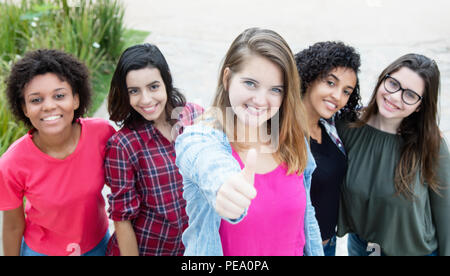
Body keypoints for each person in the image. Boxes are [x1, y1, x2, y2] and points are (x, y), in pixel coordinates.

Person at [175, 27, 323, 256]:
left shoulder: (292, 139)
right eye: (250, 83)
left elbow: (307, 217)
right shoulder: (202, 137)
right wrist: (223, 185)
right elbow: (203, 158)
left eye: (275, 89)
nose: (261, 100)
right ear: (227, 78)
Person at [0, 49, 115, 256]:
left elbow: (125, 190)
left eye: (59, 95)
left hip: (98, 246)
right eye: (36, 100)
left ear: (76, 100)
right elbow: (12, 226)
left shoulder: (102, 134)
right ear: (24, 108)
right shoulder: (12, 163)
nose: (49, 106)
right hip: (42, 251)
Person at [336, 53, 450, 256]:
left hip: (416, 252)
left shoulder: (430, 142)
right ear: (382, 79)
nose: (395, 97)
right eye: (393, 83)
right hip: (362, 249)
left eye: (410, 95)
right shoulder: (347, 127)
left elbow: (445, 210)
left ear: (420, 106)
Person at [105, 43, 203, 256]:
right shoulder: (123, 145)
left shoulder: (194, 116)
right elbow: (122, 219)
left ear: (166, 80)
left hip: (191, 250)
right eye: (134, 91)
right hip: (149, 249)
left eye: (153, 87)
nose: (146, 99)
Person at [294, 41, 361, 256]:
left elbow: (377, 115)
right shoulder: (282, 132)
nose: (338, 97)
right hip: (298, 248)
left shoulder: (331, 126)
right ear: (310, 76)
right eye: (331, 83)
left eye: (346, 91)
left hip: (328, 245)